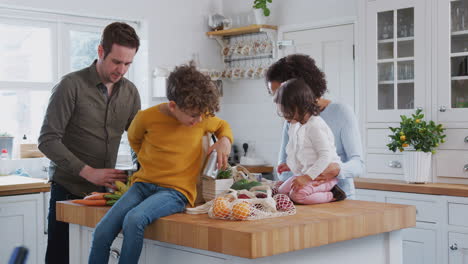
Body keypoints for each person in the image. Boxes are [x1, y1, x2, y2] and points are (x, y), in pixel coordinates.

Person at [88, 62, 233, 264]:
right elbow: (134, 140)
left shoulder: (201, 118)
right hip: (142, 186)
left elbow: (222, 125)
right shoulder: (146, 118)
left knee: (134, 219)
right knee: (102, 231)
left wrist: (225, 140)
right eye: (193, 115)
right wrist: (150, 160)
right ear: (173, 106)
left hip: (176, 192)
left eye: (202, 114)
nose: (199, 120)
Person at [38, 22, 141, 264]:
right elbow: (47, 140)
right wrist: (88, 172)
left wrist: (141, 174)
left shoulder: (131, 92)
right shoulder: (70, 86)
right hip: (68, 190)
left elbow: (139, 140)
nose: (122, 70)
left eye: (128, 64)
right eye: (117, 62)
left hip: (106, 195)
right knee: (60, 257)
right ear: (100, 51)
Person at [266, 54, 364, 199]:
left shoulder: (341, 112)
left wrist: (337, 169)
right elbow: (283, 166)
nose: (279, 103)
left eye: (280, 95)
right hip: (302, 197)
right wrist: (297, 172)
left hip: (342, 200)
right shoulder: (293, 119)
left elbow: (359, 165)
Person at [274, 79, 345, 204]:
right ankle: (315, 191)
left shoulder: (314, 126)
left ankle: (333, 194)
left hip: (323, 176)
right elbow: (301, 152)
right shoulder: (296, 125)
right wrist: (289, 165)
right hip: (307, 174)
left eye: (286, 109)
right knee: (281, 191)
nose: (284, 115)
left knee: (297, 196)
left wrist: (307, 178)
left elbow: (325, 155)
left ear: (300, 105)